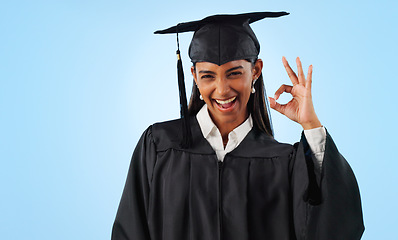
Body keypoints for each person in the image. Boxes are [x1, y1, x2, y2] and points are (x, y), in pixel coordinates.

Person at [112, 12, 364, 240]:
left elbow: (332, 229)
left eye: (234, 73)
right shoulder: (159, 146)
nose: (222, 89)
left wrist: (311, 124)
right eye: (208, 75)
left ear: (255, 71)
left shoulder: (283, 161)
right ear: (194, 77)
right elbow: (129, 231)